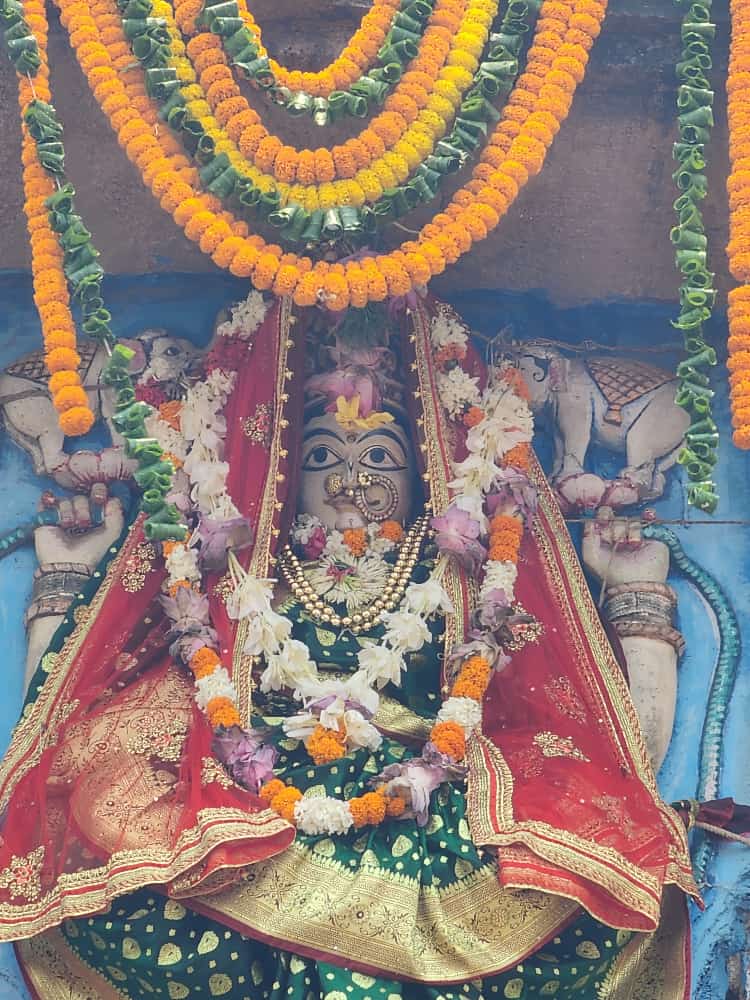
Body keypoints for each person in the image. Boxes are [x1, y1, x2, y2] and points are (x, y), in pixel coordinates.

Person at [1, 294, 696, 998]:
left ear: (422, 478)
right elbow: (66, 730)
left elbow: (605, 745)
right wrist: (62, 577)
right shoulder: (247, 577)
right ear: (282, 475)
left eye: (379, 457)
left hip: (427, 814)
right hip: (254, 809)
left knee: (577, 887)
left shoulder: (452, 577)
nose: (353, 477)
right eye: (325, 455)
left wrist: (637, 600)